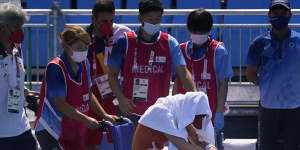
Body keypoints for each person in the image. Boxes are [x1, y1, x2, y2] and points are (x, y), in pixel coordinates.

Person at [108, 0, 197, 123]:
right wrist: (121, 99)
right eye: (150, 19)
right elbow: (112, 74)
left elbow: (184, 73)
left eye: (157, 19)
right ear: (140, 18)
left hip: (159, 112)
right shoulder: (125, 41)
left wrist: (196, 98)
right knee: (130, 143)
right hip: (130, 111)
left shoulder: (169, 42)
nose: (154, 22)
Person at [34, 25, 118, 150]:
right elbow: (60, 104)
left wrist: (104, 115)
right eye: (79, 48)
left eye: (86, 47)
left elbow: (88, 94)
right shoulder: (55, 68)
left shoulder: (85, 63)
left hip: (73, 128)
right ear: (66, 46)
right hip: (51, 129)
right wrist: (85, 119)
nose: (83, 51)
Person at [172, 8, 233, 149]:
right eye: (195, 30)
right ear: (189, 29)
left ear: (209, 29)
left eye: (202, 31)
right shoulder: (180, 50)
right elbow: (177, 81)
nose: (198, 34)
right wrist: (173, 109)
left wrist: (218, 113)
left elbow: (223, 85)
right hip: (185, 115)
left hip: (209, 115)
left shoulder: (218, 51)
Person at [246, 0, 300, 149]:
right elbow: (250, 74)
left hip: (295, 108)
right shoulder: (259, 43)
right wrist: (268, 84)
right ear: (269, 15)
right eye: (275, 13)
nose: (279, 16)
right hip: (268, 107)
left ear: (291, 15)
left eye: (283, 13)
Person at [85, 0, 131, 149]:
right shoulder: (83, 37)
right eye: (104, 21)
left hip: (116, 93)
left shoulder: (123, 34)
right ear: (93, 19)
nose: (108, 25)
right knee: (91, 142)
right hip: (92, 95)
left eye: (111, 20)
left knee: (120, 140)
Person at [0, 3, 37, 150]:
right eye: (16, 26)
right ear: (2, 27)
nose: (20, 31)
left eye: (21, 26)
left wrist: (25, 91)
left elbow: (12, 80)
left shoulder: (15, 52)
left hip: (22, 128)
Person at [132, 92, 216, 150]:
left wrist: (210, 147)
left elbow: (197, 140)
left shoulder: (181, 114)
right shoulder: (160, 111)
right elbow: (182, 146)